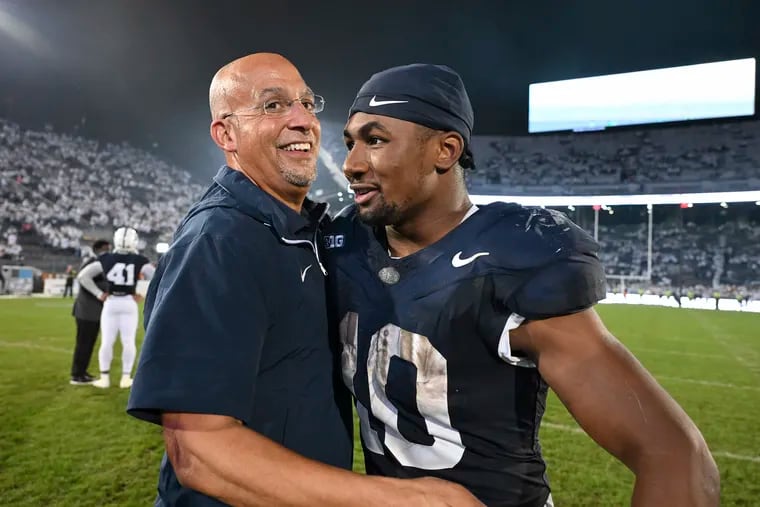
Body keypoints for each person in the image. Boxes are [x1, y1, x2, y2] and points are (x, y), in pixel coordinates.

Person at [326, 63, 720, 507]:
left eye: (375, 140)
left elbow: (674, 455)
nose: (351, 164)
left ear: (445, 150)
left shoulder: (511, 257)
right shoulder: (344, 246)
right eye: (350, 142)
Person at [125, 53, 483, 507]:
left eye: (306, 103)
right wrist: (400, 500)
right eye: (273, 106)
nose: (302, 120)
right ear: (226, 134)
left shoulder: (304, 231)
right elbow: (199, 451)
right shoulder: (220, 241)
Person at [77, 227, 154, 389]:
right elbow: (156, 277)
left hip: (111, 302)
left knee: (107, 342)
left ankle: (104, 378)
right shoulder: (141, 260)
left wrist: (98, 293)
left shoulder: (105, 258)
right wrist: (143, 293)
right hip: (128, 302)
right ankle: (125, 378)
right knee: (128, 341)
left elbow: (83, 276)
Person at [69, 239, 111, 385]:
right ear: (98, 249)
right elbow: (83, 278)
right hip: (87, 310)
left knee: (87, 343)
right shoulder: (94, 263)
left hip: (91, 310)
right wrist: (99, 293)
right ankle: (77, 374)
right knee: (84, 343)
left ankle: (81, 372)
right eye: (106, 248)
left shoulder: (96, 262)